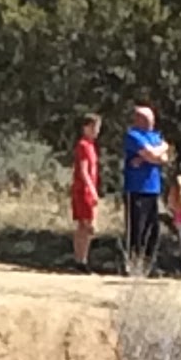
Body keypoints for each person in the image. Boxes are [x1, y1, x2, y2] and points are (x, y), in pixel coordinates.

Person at [122, 105, 170, 271]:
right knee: (137, 228)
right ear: (139, 120)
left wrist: (150, 156)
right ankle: (132, 264)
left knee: (153, 229)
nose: (151, 121)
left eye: (152, 118)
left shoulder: (155, 136)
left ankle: (147, 264)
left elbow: (164, 158)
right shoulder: (133, 135)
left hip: (153, 189)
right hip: (136, 188)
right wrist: (159, 150)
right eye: (147, 119)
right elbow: (154, 155)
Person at [69, 114, 101, 269]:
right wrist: (92, 189)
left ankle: (82, 259)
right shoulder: (82, 145)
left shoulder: (91, 146)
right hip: (83, 191)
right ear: (85, 128)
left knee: (85, 226)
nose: (96, 131)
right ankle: (80, 259)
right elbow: (83, 170)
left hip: (89, 189)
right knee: (86, 225)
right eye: (93, 127)